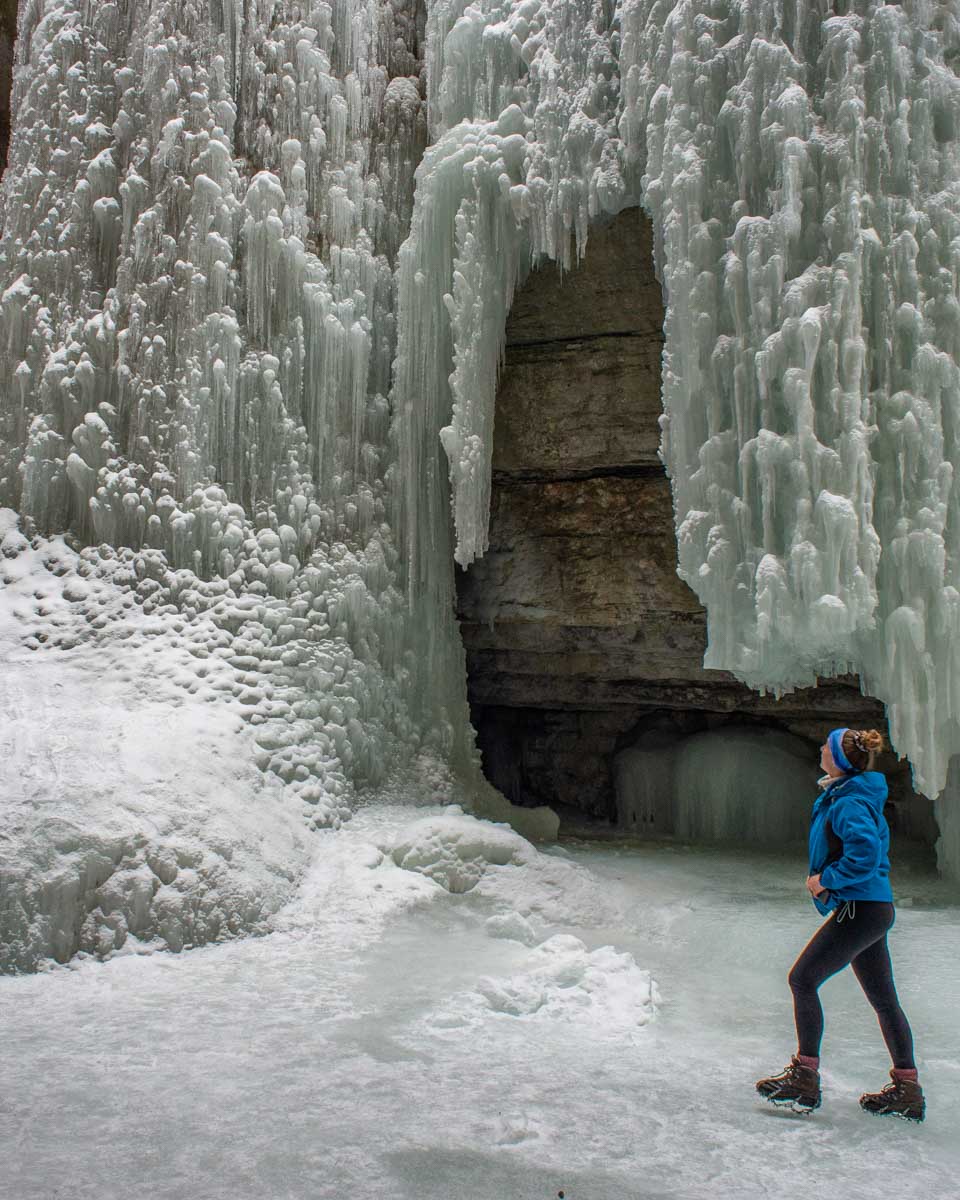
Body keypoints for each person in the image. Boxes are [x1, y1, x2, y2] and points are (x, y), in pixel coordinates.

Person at [755, 727, 924, 1121]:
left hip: (861, 910)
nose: (820, 749)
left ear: (839, 759)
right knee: (883, 1000)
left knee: (803, 979)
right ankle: (907, 1088)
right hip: (871, 908)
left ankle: (805, 1078)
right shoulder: (849, 794)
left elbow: (864, 854)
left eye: (826, 747)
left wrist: (825, 880)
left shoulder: (848, 802)